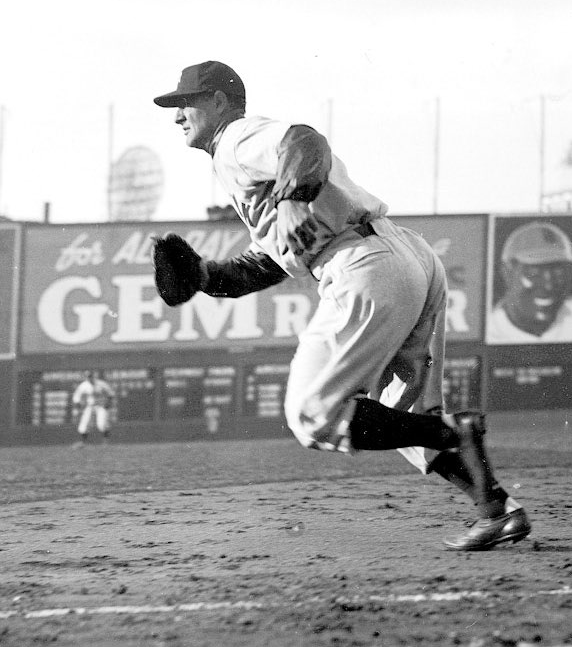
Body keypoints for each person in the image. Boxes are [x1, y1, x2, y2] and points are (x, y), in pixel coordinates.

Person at [151, 60, 530, 550]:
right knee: (403, 420)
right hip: (404, 257)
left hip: (364, 264)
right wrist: (206, 276)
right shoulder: (242, 165)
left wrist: (290, 197)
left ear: (219, 103)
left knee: (313, 412)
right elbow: (268, 262)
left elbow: (307, 142)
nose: (177, 115)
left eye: (186, 102)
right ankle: (495, 509)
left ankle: (456, 433)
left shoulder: (238, 141)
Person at [486, 221, 572, 342]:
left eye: (558, 272)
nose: (548, 285)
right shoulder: (490, 329)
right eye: (534, 273)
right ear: (507, 273)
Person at [71, 370, 114, 447]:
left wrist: (108, 403)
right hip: (90, 406)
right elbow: (76, 396)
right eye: (87, 376)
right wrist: (78, 404)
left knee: (102, 424)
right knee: (85, 424)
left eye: (90, 376)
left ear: (93, 376)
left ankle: (106, 442)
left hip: (101, 406)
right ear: (85, 377)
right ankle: (83, 442)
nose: (89, 378)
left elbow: (110, 393)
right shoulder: (84, 385)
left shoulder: (101, 384)